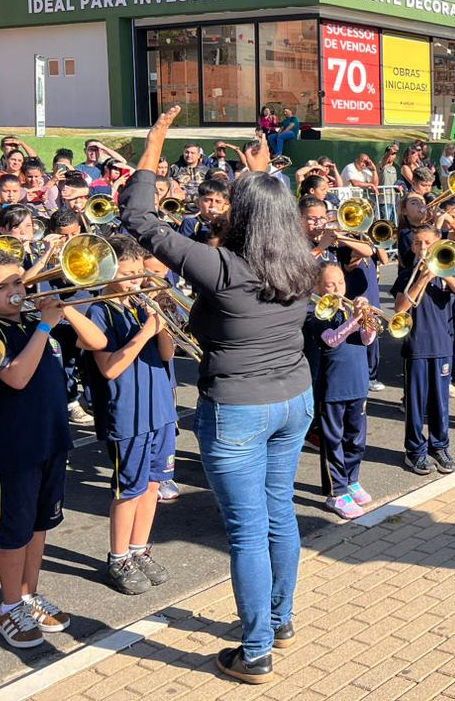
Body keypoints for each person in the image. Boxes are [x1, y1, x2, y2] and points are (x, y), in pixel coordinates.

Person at [120, 107, 317, 682]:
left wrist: (155, 139)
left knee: (248, 530)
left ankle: (255, 650)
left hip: (238, 405)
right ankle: (279, 620)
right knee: (279, 513)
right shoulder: (301, 257)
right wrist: (263, 176)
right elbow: (276, 211)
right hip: (293, 397)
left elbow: (138, 216)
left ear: (244, 214)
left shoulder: (221, 266)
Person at [0, 247, 107, 648]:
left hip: (52, 438)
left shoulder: (33, 319)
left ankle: (28, 594)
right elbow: (16, 378)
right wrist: (45, 326)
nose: (14, 291)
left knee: (41, 525)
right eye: (2, 286)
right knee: (15, 531)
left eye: (17, 282)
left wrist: (63, 310)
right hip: (16, 446)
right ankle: (9, 605)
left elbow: (97, 341)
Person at [86, 236, 176, 595]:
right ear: (109, 271)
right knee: (130, 489)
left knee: (153, 486)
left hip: (160, 408)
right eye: (130, 273)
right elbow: (109, 368)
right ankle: (118, 556)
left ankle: (140, 548)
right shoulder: (99, 310)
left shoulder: (142, 304)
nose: (138, 279)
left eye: (141, 272)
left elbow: (168, 355)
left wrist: (164, 320)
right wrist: (145, 332)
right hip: (128, 413)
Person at [304, 263, 375, 519]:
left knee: (356, 437)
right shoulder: (315, 312)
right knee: (333, 440)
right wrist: (355, 320)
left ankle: (352, 478)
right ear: (318, 287)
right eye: (330, 285)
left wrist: (367, 320)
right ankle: (336, 492)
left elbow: (367, 340)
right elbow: (331, 339)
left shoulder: (349, 309)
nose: (337, 289)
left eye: (340, 283)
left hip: (358, 383)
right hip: (333, 386)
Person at [397, 224, 455, 474]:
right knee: (416, 404)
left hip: (442, 346)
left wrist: (441, 272)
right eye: (417, 243)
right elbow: (401, 308)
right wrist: (423, 278)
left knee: (440, 403)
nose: (422, 247)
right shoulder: (408, 274)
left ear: (438, 244)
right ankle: (414, 451)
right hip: (416, 346)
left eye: (428, 243)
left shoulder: (449, 270)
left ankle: (439, 446)